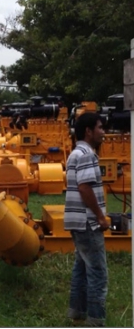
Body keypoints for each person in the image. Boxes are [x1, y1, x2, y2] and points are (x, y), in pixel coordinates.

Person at [64, 112, 109, 327]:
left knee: (81, 268)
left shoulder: (74, 153)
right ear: (89, 131)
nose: (103, 132)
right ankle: (95, 319)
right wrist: (100, 217)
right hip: (88, 221)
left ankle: (77, 311)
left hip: (76, 221)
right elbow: (85, 187)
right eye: (100, 127)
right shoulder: (87, 154)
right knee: (97, 272)